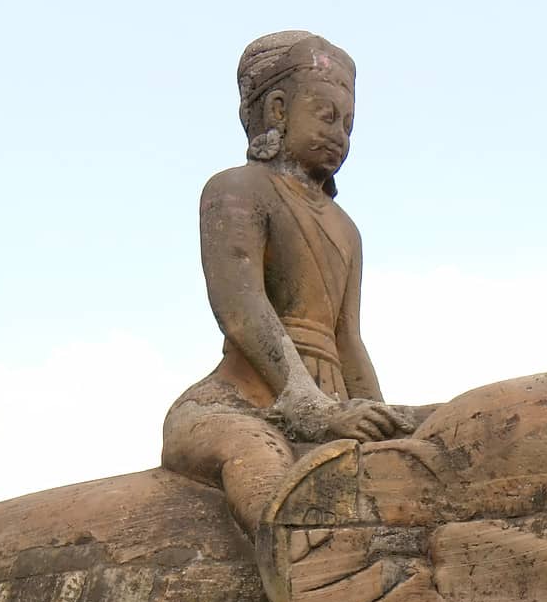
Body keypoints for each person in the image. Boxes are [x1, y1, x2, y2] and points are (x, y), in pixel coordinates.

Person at [162, 30, 420, 543]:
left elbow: (348, 340)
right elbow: (241, 308)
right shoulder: (238, 190)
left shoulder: (346, 229)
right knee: (261, 462)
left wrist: (381, 418)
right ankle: (292, 567)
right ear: (278, 110)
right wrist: (311, 408)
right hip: (239, 403)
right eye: (327, 116)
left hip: (330, 403)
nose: (341, 136)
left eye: (348, 124)